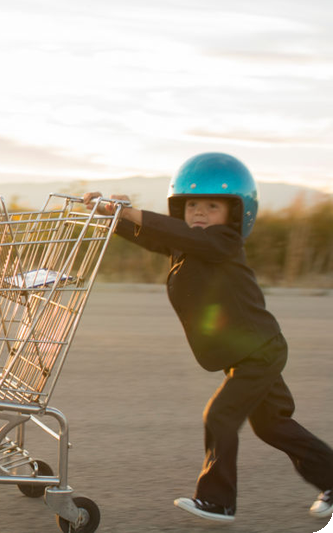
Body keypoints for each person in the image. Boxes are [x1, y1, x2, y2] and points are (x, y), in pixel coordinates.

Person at [83, 152, 333, 523]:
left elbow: (179, 233)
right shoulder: (186, 242)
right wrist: (114, 216)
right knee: (272, 426)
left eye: (212, 206)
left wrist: (133, 212)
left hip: (259, 353)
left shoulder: (224, 242)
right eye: (192, 205)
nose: (199, 212)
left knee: (220, 415)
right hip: (248, 352)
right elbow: (158, 235)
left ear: (235, 213)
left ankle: (217, 501)